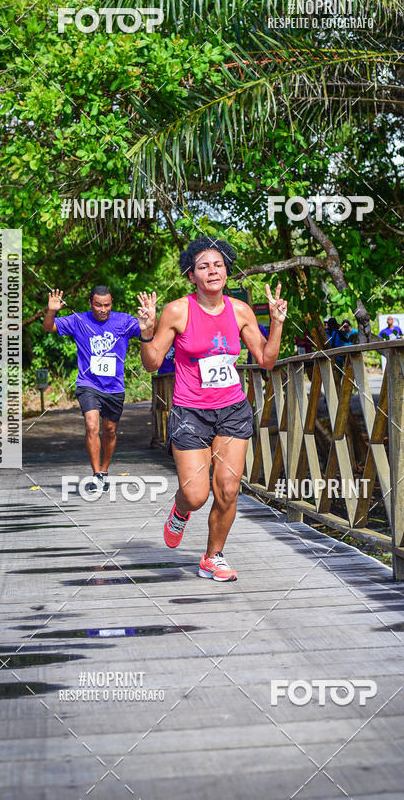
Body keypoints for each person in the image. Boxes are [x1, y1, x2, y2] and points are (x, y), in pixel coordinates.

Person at [136, 237, 287, 582]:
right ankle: (180, 509)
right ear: (192, 276)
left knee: (229, 489)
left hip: (232, 409)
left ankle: (212, 556)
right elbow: (152, 363)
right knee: (196, 493)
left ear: (226, 271)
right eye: (203, 266)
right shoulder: (178, 311)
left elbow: (266, 360)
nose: (212, 270)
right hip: (191, 412)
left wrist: (277, 323)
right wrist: (146, 333)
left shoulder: (240, 310)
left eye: (218, 264)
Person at [43, 286, 141, 492]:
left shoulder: (124, 321)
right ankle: (96, 474)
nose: (103, 309)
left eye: (107, 305)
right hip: (88, 384)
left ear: (111, 303)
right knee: (91, 426)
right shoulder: (79, 320)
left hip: (114, 387)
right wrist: (52, 310)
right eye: (98, 304)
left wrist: (150, 316)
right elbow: (48, 327)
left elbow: (148, 331)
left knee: (110, 431)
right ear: (90, 303)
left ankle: (104, 471)